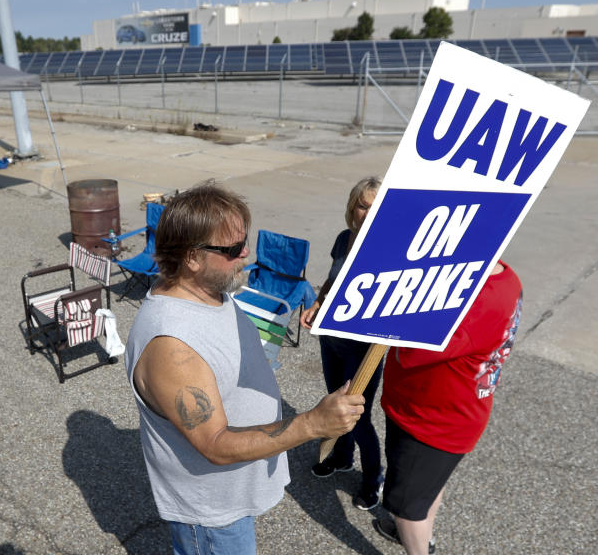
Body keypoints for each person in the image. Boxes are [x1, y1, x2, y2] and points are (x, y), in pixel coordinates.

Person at [125, 182, 365, 554]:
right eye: (233, 248)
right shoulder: (171, 347)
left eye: (245, 241)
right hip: (211, 518)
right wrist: (312, 424)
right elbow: (216, 444)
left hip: (230, 498)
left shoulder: (209, 291)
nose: (246, 253)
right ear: (191, 257)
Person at [372, 260, 522, 555]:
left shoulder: (476, 299)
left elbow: (411, 351)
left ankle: (416, 540)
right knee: (428, 486)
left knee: (405, 505)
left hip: (430, 422)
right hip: (455, 413)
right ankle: (423, 536)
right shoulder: (506, 277)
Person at [300, 176, 384, 509]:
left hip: (363, 347)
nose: (367, 213)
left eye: (375, 208)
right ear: (353, 208)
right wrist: (317, 304)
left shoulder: (387, 249)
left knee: (358, 416)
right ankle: (344, 456)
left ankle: (373, 478)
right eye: (362, 206)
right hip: (331, 339)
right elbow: (332, 280)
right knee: (335, 403)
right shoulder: (342, 238)